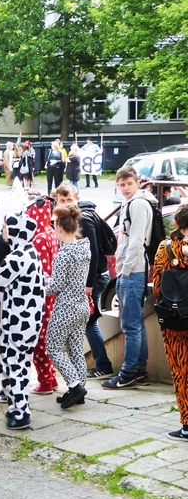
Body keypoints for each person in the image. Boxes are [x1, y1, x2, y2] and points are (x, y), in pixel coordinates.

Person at [54, 184, 115, 380]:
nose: (66, 203)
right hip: (88, 277)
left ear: (77, 199)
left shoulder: (83, 219)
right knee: (86, 321)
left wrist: (88, 284)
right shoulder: (69, 218)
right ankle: (92, 367)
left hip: (93, 277)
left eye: (69, 200)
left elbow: (93, 252)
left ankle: (103, 365)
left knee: (89, 321)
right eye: (62, 200)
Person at [103, 167, 156, 390]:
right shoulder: (132, 203)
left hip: (133, 271)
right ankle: (139, 369)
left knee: (131, 325)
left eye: (129, 184)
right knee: (135, 324)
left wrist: (124, 270)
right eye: (122, 184)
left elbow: (136, 241)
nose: (125, 188)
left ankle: (128, 373)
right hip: (131, 270)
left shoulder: (138, 204)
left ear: (137, 183)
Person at [0, 212, 45, 429]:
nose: (3, 231)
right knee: (21, 366)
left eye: (6, 227)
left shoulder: (16, 257)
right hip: (29, 322)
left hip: (16, 322)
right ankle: (17, 407)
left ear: (15, 230)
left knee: (13, 365)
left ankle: (21, 412)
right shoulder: (31, 252)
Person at [46, 204, 91, 408]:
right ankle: (79, 390)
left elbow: (55, 286)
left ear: (60, 227)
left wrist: (39, 286)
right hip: (81, 306)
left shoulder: (64, 255)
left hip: (66, 308)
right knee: (75, 350)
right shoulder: (84, 248)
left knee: (53, 347)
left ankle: (74, 386)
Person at [153, 205, 188, 441]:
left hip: (176, 319)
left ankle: (187, 425)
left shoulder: (165, 248)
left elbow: (158, 286)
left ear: (176, 222)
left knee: (181, 371)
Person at [26, 198, 59, 394]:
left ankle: (45, 380)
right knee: (46, 337)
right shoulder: (50, 232)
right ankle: (51, 378)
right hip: (51, 294)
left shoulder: (38, 238)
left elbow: (42, 271)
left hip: (42, 295)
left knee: (40, 339)